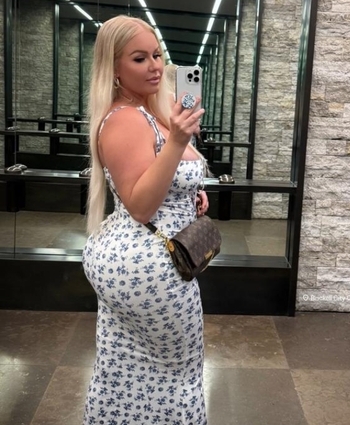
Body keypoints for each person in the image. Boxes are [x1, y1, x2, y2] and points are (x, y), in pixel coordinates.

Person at [82, 15, 209, 425]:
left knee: (123, 370)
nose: (155, 66)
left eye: (157, 55)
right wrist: (178, 139)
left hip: (140, 260)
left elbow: (156, 176)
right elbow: (139, 205)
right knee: (179, 374)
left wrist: (189, 193)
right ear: (114, 67)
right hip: (151, 264)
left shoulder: (147, 111)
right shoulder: (124, 119)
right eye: (139, 58)